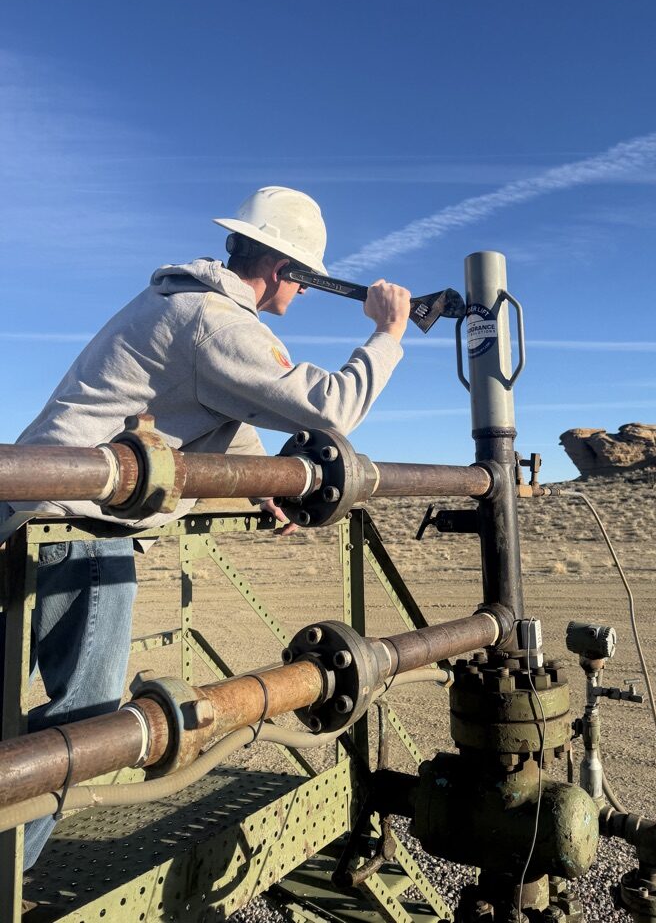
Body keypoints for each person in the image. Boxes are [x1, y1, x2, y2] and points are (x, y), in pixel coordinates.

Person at [0, 185, 410, 869]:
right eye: (304, 279)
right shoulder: (216, 322)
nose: (303, 296)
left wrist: (265, 487)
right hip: (79, 532)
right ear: (288, 270)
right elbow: (329, 407)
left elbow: (213, 423)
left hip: (29, 517)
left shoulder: (180, 307)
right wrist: (387, 333)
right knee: (89, 724)